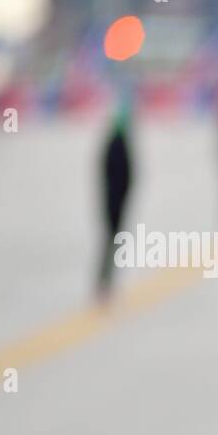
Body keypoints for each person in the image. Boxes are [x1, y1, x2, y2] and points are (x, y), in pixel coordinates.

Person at [96, 99, 132, 301]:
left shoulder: (120, 144)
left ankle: (108, 283)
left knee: (113, 243)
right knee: (110, 243)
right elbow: (113, 178)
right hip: (113, 204)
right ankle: (105, 283)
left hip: (117, 203)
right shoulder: (116, 146)